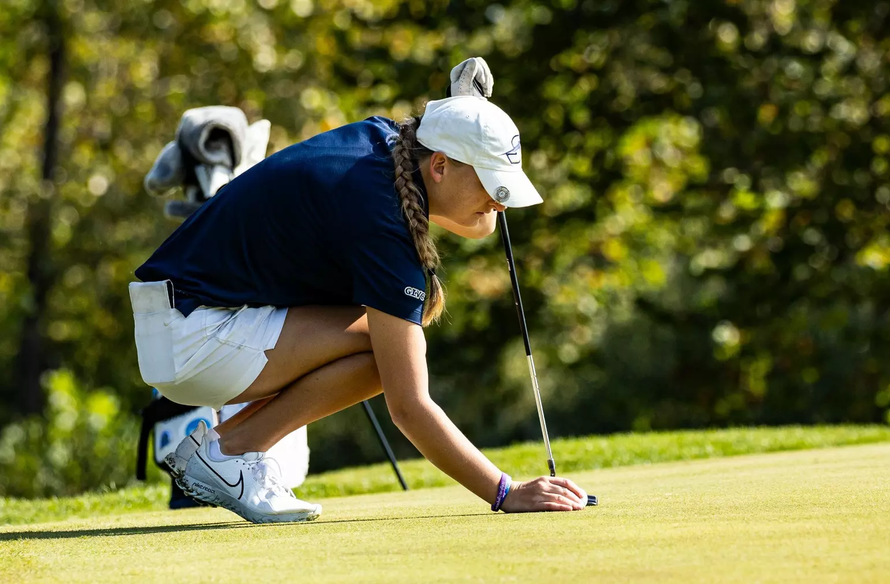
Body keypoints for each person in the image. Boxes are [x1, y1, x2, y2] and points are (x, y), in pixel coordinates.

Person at [130, 89, 590, 524]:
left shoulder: (386, 145)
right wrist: (505, 492)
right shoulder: (384, 223)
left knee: (388, 350)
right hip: (193, 338)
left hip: (181, 321)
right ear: (441, 166)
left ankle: (228, 449)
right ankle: (229, 453)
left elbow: (480, 222)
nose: (500, 204)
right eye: (491, 184)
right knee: (391, 357)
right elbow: (409, 407)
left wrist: (465, 113)